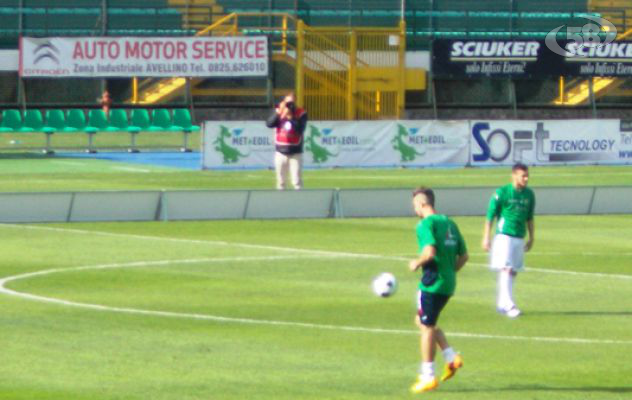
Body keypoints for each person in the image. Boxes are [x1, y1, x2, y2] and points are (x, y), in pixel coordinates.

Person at [409, 187, 469, 393]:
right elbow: (464, 256)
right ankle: (451, 357)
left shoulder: (425, 224)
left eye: (415, 205)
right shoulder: (450, 223)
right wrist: (449, 273)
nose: (414, 209)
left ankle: (428, 376)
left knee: (426, 328)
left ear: (422, 204)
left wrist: (416, 263)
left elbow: (429, 251)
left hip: (432, 283)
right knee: (423, 321)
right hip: (449, 283)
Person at [482, 163, 535, 318]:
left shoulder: (529, 195)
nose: (525, 179)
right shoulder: (502, 192)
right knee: (506, 268)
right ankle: (509, 304)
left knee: (513, 271)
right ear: (514, 175)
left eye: (527, 176)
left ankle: (501, 303)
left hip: (519, 236)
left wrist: (532, 237)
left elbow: (530, 218)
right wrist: (486, 236)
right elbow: (490, 216)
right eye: (522, 176)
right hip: (504, 236)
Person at [266, 92, 307, 190]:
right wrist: (279, 113)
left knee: (296, 181)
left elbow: (300, 129)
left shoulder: (301, 113)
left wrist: (291, 117)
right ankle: (281, 200)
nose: (289, 105)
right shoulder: (279, 111)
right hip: (280, 151)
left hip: (295, 152)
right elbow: (269, 124)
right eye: (288, 102)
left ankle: (299, 199)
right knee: (281, 181)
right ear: (284, 102)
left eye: (291, 103)